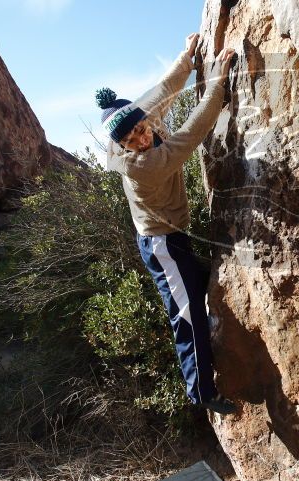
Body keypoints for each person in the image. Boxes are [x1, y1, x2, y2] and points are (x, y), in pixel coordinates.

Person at [95, 33, 237, 415]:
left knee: (200, 294)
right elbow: (193, 131)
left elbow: (164, 91)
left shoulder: (143, 122)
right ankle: (201, 391)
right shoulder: (144, 165)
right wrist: (219, 81)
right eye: (129, 140)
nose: (141, 139)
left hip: (173, 237)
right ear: (120, 147)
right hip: (163, 246)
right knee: (188, 316)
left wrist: (186, 57)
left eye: (141, 129)